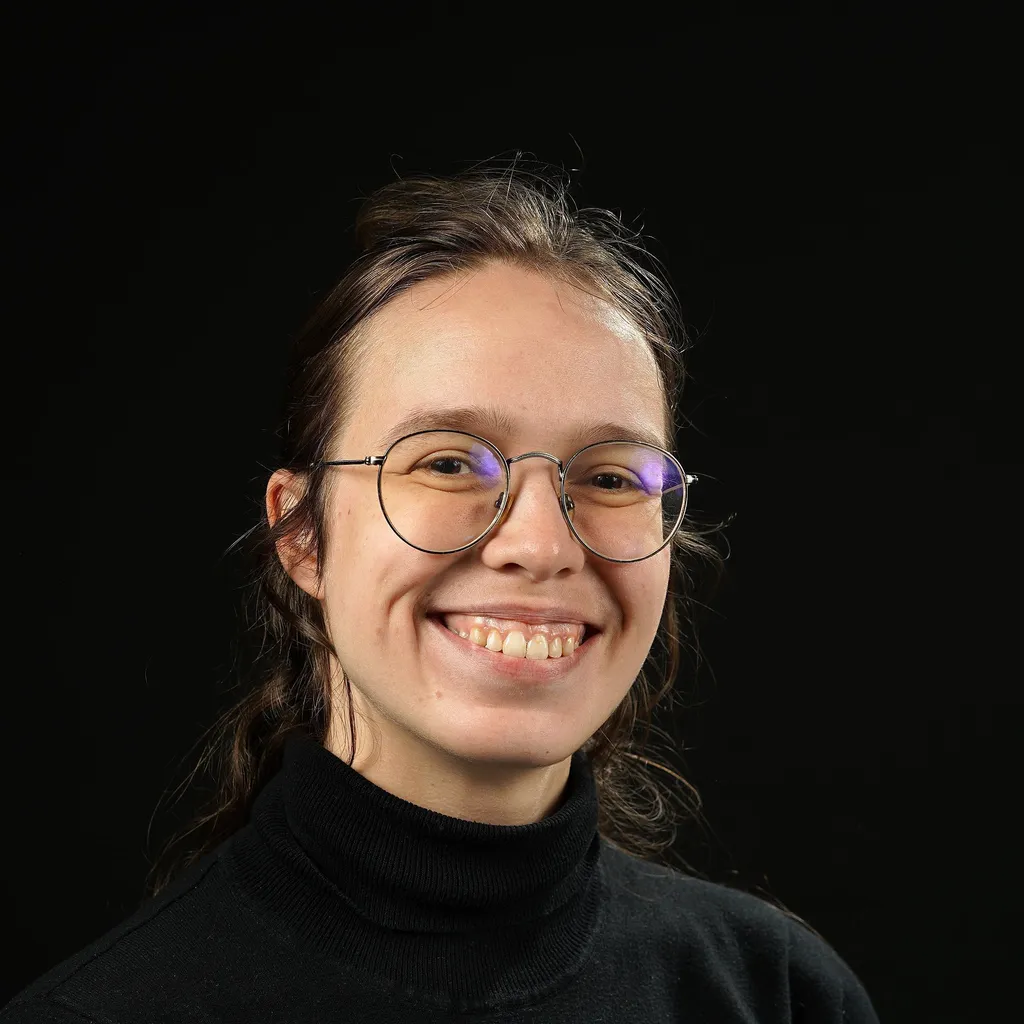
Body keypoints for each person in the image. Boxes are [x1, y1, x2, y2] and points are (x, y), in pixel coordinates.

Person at [3, 164, 879, 1022]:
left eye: (610, 478)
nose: (539, 545)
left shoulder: (780, 995)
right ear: (302, 535)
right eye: (449, 462)